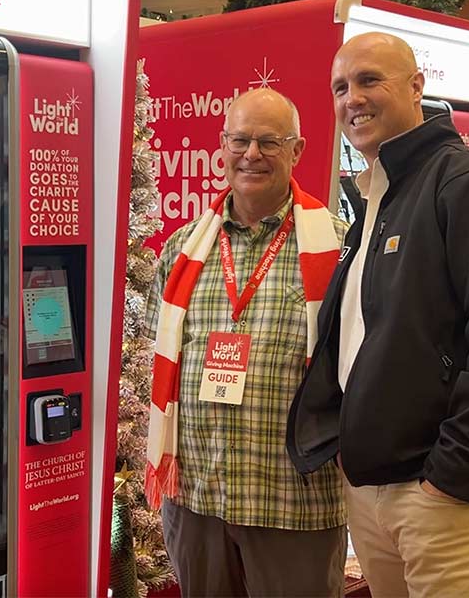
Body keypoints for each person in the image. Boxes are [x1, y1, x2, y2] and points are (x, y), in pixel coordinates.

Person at [286, 32, 469, 598]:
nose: (352, 98)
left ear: (417, 87)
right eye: (340, 87)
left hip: (448, 498)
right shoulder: (379, 199)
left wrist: (454, 474)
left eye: (369, 80)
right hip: (376, 489)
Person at [144, 88, 348, 597]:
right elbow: (156, 355)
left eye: (269, 142)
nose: (251, 154)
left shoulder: (338, 248)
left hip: (293, 505)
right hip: (197, 500)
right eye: (240, 141)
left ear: (297, 151)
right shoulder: (182, 249)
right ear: (223, 145)